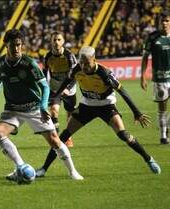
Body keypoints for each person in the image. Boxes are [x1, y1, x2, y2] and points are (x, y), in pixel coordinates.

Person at [40, 46, 161, 176]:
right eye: (81, 63)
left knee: (123, 135)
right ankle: (43, 169)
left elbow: (123, 91)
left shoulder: (105, 73)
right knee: (63, 136)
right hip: (86, 106)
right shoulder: (77, 69)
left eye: (87, 63)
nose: (84, 66)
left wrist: (136, 112)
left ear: (94, 60)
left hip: (106, 107)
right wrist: (54, 98)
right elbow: (65, 83)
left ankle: (149, 159)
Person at [0, 29, 84, 183]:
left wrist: (43, 107)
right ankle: (21, 167)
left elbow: (44, 87)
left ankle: (72, 171)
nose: (16, 48)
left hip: (34, 108)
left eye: (19, 45)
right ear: (5, 45)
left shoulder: (29, 64)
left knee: (55, 141)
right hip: (12, 109)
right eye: (13, 45)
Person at [35, 31, 77, 177]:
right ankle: (58, 138)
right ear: (51, 42)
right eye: (54, 40)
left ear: (63, 41)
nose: (57, 42)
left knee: (70, 112)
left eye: (59, 39)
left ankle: (69, 135)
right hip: (54, 88)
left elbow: (75, 74)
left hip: (69, 89)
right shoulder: (47, 56)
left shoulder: (70, 56)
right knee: (54, 111)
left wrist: (67, 88)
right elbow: (45, 72)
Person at [141, 10, 170, 145]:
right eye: (162, 21)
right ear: (158, 22)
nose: (164, 23)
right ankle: (163, 135)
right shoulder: (152, 37)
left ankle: (167, 126)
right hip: (160, 79)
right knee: (162, 108)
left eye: (167, 20)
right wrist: (142, 76)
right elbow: (145, 57)